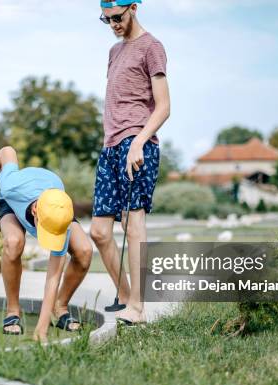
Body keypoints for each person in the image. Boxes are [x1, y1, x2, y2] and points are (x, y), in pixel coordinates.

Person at [91, 0, 171, 325]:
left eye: (118, 18)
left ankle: (137, 308)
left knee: (133, 222)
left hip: (137, 144)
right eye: (106, 19)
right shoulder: (114, 52)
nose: (113, 25)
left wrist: (138, 141)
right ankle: (125, 297)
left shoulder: (152, 47)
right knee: (99, 231)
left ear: (134, 8)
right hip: (110, 147)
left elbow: (164, 107)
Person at [0, 146, 92, 342]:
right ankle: (13, 310)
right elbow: (7, 152)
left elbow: (53, 277)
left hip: (52, 203)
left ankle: (59, 308)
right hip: (13, 201)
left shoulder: (60, 214)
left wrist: (41, 328)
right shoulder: (12, 185)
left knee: (84, 251)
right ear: (34, 211)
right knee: (13, 242)